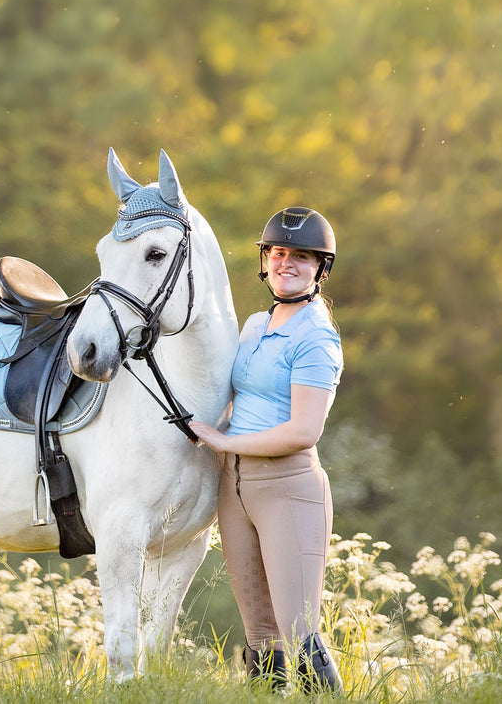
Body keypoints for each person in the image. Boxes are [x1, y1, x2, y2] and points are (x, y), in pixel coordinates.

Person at [190, 206, 343, 694]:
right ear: (265, 260)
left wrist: (225, 440)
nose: (286, 263)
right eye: (278, 253)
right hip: (235, 491)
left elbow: (304, 430)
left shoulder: (317, 336)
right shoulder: (257, 324)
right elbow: (237, 396)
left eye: (301, 256)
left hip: (287, 490)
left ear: (320, 267)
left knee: (301, 634)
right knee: (260, 636)